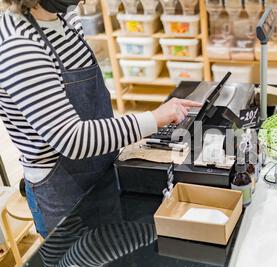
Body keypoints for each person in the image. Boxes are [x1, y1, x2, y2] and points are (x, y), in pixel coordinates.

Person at [0, 0, 202, 237]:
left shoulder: (63, 17)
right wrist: (152, 119)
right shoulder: (19, 46)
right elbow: (72, 139)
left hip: (99, 169)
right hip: (63, 191)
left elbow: (88, 105)